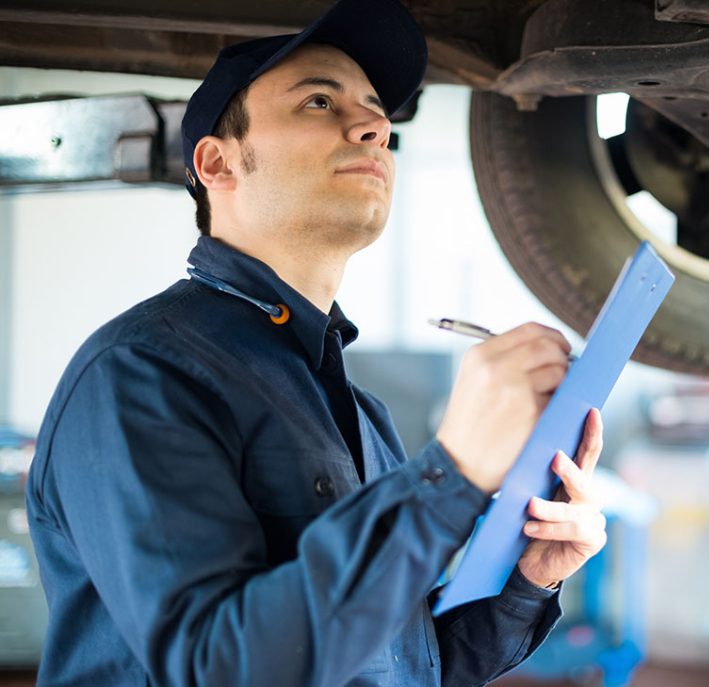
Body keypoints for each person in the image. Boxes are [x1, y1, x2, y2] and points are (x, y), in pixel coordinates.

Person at [24, 0, 608, 685]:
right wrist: (450, 474)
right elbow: (217, 667)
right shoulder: (138, 375)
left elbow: (408, 668)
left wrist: (529, 580)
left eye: (374, 111)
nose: (373, 126)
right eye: (319, 101)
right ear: (217, 162)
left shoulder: (360, 414)